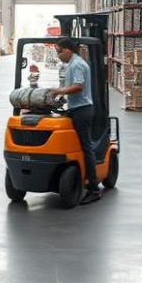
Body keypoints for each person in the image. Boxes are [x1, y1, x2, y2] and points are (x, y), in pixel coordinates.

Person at [49, 38, 101, 204]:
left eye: (59, 51)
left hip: (82, 110)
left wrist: (60, 90)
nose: (58, 55)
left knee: (86, 147)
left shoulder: (77, 64)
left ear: (68, 50)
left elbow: (79, 86)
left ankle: (93, 189)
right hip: (75, 109)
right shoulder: (71, 64)